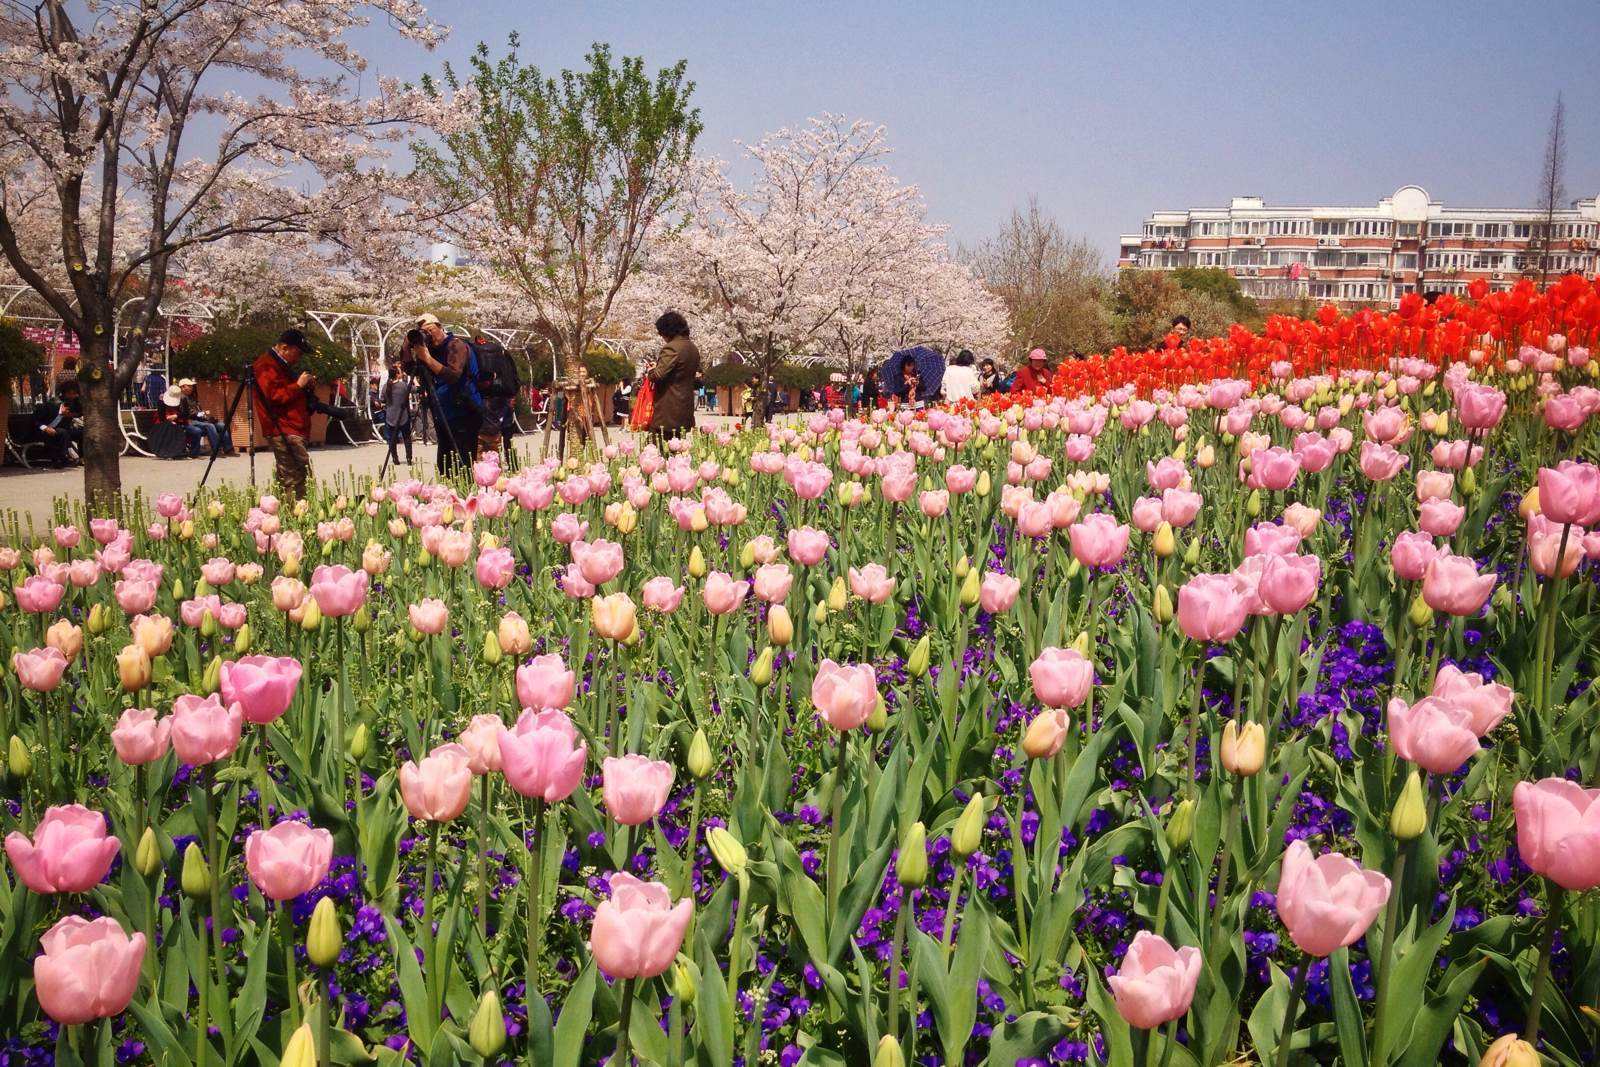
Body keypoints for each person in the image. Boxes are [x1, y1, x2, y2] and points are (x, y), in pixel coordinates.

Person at [413, 313, 483, 475]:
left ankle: (466, 496)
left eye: (430, 330)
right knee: (445, 465)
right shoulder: (430, 350)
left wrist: (427, 359)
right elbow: (411, 370)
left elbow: (453, 375)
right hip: (443, 412)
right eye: (424, 332)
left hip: (465, 412)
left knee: (463, 463)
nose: (428, 335)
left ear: (439, 326)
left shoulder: (456, 345)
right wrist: (409, 345)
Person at [252, 328, 316, 498]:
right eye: (298, 352)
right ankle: (297, 514)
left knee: (294, 475)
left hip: (291, 427)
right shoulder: (266, 365)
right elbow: (273, 396)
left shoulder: (280, 364)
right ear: (285, 348)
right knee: (296, 477)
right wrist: (298, 385)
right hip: (282, 429)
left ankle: (291, 512)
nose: (299, 357)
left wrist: (304, 386)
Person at [646, 310, 700, 440]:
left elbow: (658, 375)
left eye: (661, 333)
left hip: (668, 411)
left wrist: (651, 371)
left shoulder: (672, 348)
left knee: (655, 452)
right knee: (677, 452)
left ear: (667, 331)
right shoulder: (692, 348)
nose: (661, 337)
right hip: (685, 408)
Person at [473, 337, 521, 459]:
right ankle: (512, 465)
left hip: (484, 399)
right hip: (504, 400)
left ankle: (486, 469)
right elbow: (514, 380)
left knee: (484, 442)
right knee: (506, 438)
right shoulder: (502, 353)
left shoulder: (475, 353)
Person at [166, 378, 233, 458]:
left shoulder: (192, 397)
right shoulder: (180, 398)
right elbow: (188, 414)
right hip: (191, 420)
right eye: (189, 386)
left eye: (192, 386)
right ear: (182, 387)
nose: (191, 388)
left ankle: (228, 448)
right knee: (210, 426)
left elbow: (197, 410)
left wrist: (204, 415)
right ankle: (216, 450)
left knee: (221, 425)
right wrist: (202, 414)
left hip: (199, 419)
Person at [36, 377, 83, 467]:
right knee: (63, 432)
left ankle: (82, 457)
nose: (73, 396)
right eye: (70, 394)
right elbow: (36, 420)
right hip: (46, 431)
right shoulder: (52, 404)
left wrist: (70, 415)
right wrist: (45, 428)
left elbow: (80, 412)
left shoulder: (73, 403)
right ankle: (62, 459)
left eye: (75, 394)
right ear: (64, 394)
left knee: (82, 432)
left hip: (63, 430)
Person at [381, 357, 415, 465]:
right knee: (406, 438)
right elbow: (414, 390)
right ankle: (409, 458)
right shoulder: (403, 386)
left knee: (392, 439)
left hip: (390, 416)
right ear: (397, 374)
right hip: (403, 416)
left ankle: (395, 458)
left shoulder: (386, 387)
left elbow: (382, 400)